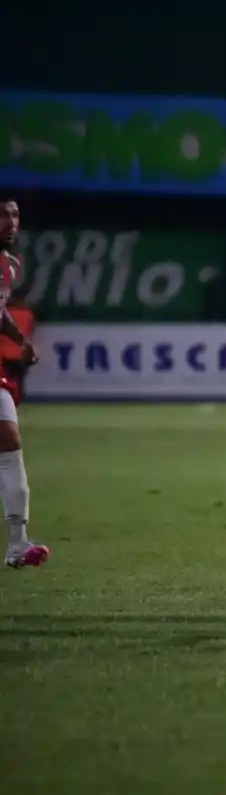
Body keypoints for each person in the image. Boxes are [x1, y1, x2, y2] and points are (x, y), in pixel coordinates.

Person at [0, 195, 48, 570]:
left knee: (10, 438)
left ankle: (18, 544)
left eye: (14, 214)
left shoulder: (9, 264)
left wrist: (20, 341)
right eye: (2, 215)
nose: (10, 221)